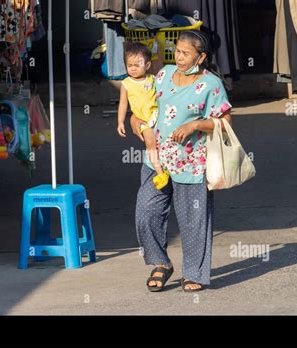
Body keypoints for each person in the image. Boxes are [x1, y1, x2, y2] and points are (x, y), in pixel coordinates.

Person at [130, 30, 233, 292]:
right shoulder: (162, 75)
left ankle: (194, 273)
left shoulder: (211, 85)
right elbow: (139, 112)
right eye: (177, 50)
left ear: (201, 57)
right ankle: (161, 263)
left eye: (185, 53)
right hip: (157, 161)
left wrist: (196, 124)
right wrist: (140, 127)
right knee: (146, 212)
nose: (179, 56)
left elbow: (226, 121)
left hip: (192, 164)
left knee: (193, 220)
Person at [117, 42, 170, 190]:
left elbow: (160, 70)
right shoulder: (126, 83)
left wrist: (157, 49)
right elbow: (123, 104)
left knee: (162, 142)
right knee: (150, 143)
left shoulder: (152, 79)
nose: (132, 68)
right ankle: (160, 173)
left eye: (136, 65)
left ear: (147, 66)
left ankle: (167, 166)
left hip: (159, 116)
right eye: (129, 65)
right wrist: (120, 122)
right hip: (144, 121)